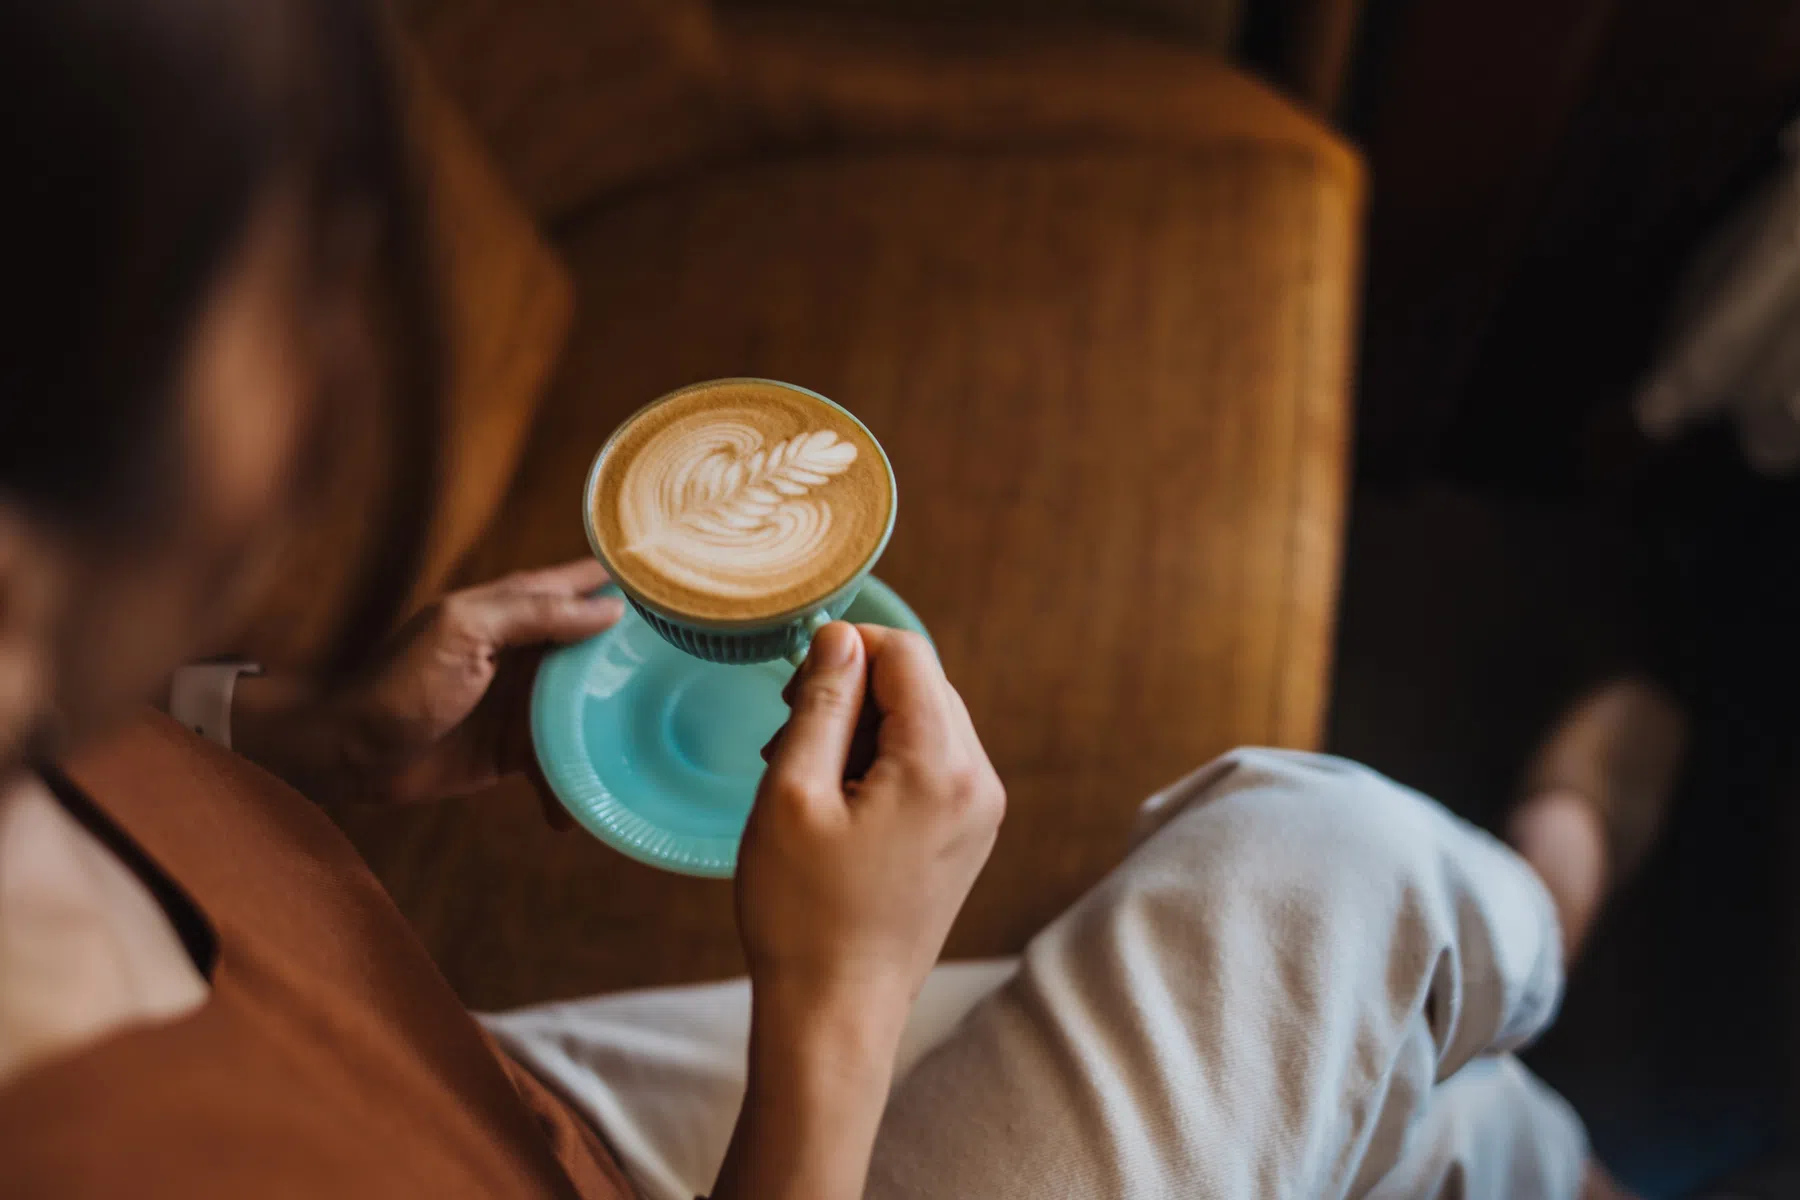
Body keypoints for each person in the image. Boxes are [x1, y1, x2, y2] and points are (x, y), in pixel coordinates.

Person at [0, 1, 1676, 1196]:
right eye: (292, 284)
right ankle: (1541, 911)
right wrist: (837, 1007)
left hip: (489, 1090)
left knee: (1391, 1097)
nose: (335, 360)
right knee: (1333, 869)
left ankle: (1527, 1064)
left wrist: (291, 739)